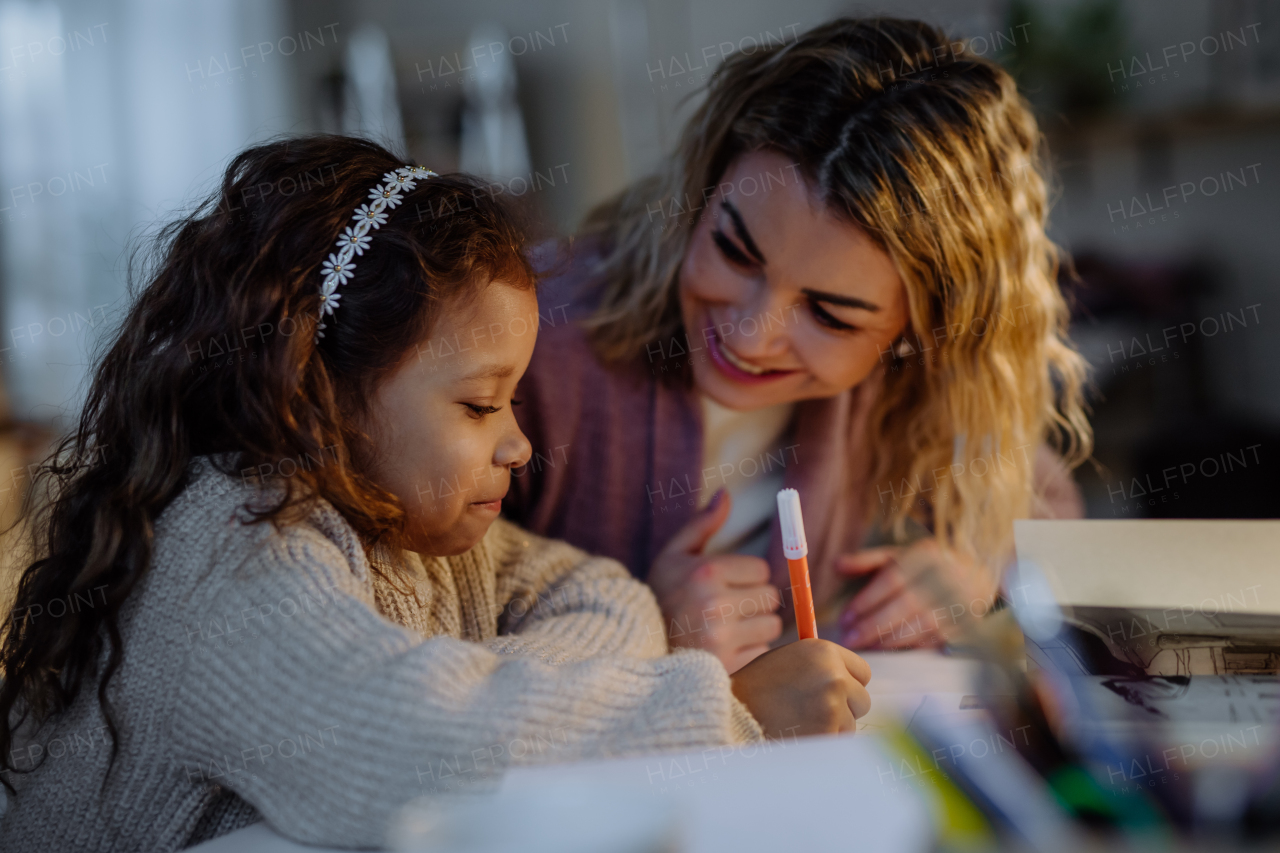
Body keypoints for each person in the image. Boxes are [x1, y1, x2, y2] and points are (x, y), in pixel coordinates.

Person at [0, 137, 872, 851]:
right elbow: (413, 745)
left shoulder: (412, 525)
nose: (520, 442)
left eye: (515, 400)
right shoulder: (233, 553)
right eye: (479, 403)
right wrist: (727, 713)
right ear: (322, 392)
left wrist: (478, 687)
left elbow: (608, 597)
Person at [504, 17, 1091, 673]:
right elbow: (424, 639)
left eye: (830, 314)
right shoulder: (529, 347)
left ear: (922, 335)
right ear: (704, 189)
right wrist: (639, 633)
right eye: (733, 249)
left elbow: (1042, 497)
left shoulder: (911, 384)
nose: (751, 334)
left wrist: (981, 565)